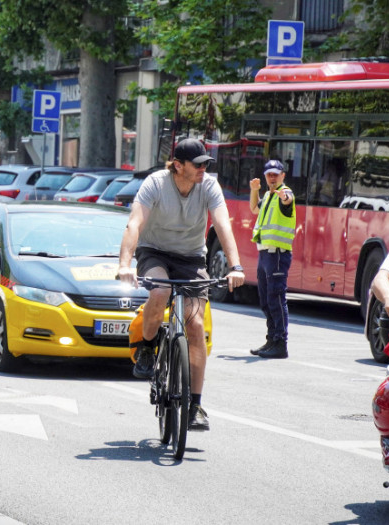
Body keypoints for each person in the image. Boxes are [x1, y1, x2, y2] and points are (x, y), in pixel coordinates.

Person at [118, 138, 245, 432]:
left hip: (191, 258)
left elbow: (223, 225)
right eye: (197, 164)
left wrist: (235, 265)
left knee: (196, 325)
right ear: (178, 165)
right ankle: (148, 348)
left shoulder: (208, 186)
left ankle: (195, 405)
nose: (203, 169)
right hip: (154, 251)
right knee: (160, 291)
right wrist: (125, 265)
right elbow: (134, 224)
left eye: (206, 164)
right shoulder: (155, 183)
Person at [248, 159, 296, 359]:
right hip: (265, 253)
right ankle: (271, 339)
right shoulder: (268, 195)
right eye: (269, 174)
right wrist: (254, 190)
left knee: (276, 298)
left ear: (283, 176)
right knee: (266, 300)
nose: (273, 177)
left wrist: (285, 197)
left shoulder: (285, 193)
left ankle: (280, 343)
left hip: (277, 253)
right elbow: (254, 209)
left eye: (276, 174)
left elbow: (288, 200)